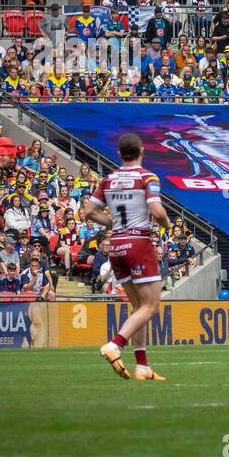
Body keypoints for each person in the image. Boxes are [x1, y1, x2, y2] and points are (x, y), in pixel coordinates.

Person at [79, 132, 171, 381]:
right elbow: (156, 209)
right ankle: (115, 344)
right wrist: (166, 222)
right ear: (142, 150)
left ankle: (142, 366)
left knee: (138, 307)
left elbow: (88, 211)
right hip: (139, 243)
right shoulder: (147, 177)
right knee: (151, 306)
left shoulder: (108, 179)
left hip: (116, 245)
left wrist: (111, 224)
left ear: (118, 154)